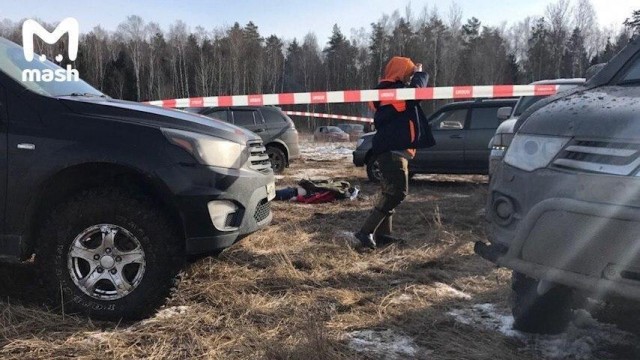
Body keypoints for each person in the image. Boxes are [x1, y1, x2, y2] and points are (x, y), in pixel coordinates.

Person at [354, 56, 436, 249]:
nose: (409, 79)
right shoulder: (393, 92)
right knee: (397, 193)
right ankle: (365, 232)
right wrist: (420, 75)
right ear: (400, 73)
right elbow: (416, 94)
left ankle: (382, 235)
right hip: (393, 151)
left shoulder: (387, 91)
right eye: (407, 74)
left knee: (389, 191)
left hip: (391, 150)